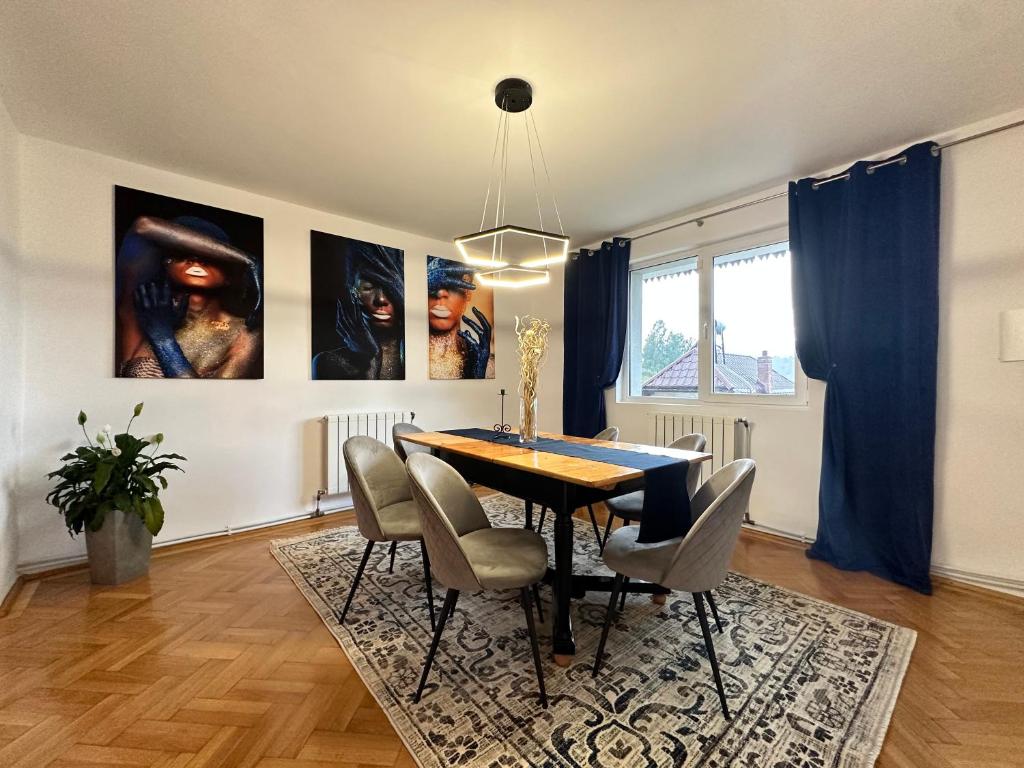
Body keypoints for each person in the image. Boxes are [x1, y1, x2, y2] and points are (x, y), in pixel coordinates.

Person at [116, 215, 263, 378]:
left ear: (228, 275)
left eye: (211, 255)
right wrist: (248, 260)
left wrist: (161, 336)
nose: (196, 259)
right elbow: (143, 227)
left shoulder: (243, 334)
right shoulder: (142, 307)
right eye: (183, 252)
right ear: (166, 264)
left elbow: (208, 400)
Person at [312, 241, 405, 380]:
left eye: (390, 288)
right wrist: (370, 356)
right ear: (352, 292)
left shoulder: (422, 357)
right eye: (368, 287)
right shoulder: (328, 363)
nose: (380, 299)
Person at [427, 256, 493, 379]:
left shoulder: (489, 366)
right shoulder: (406, 357)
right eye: (433, 285)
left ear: (468, 292)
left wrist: (478, 374)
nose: (441, 293)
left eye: (451, 283)